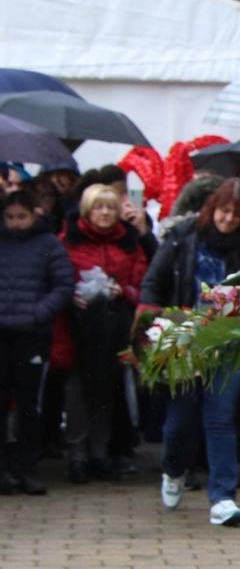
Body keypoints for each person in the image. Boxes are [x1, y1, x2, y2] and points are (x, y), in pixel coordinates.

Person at [139, 178, 240, 519]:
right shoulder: (183, 236)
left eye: (236, 214)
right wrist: (151, 321)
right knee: (181, 419)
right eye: (224, 211)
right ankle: (173, 471)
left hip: (229, 340)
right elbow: (153, 281)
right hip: (185, 338)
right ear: (212, 208)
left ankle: (222, 496)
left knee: (220, 417)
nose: (228, 219)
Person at [52, 183, 150, 485]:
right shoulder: (67, 240)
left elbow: (143, 281)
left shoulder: (129, 242)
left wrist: (126, 291)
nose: (105, 213)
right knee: (77, 395)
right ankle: (77, 456)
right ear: (87, 210)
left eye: (110, 206)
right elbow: (56, 276)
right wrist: (69, 294)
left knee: (107, 393)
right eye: (98, 207)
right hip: (77, 329)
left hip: (115, 327)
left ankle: (100, 453)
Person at [0, 190, 73, 495]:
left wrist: (39, 312)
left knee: (30, 404)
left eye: (22, 216)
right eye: (10, 217)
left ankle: (26, 468)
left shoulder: (48, 245)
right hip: (2, 333)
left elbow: (63, 283)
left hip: (33, 335)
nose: (16, 223)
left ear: (34, 216)